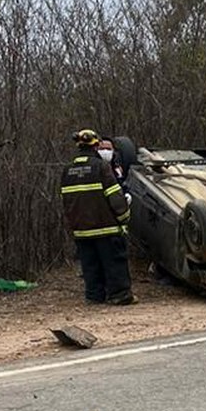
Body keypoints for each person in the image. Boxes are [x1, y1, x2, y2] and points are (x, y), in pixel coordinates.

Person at [62, 128, 135, 305]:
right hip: (106, 228)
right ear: (95, 147)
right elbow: (115, 197)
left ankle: (94, 297)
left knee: (90, 265)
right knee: (114, 263)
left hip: (82, 231)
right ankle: (120, 295)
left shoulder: (67, 170)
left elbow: (67, 202)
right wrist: (124, 216)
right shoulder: (101, 167)